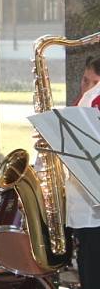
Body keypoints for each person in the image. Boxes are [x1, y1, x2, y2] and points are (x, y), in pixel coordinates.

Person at [67, 64, 100, 288]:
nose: (86, 87)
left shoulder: (92, 102)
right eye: (84, 80)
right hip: (85, 210)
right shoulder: (84, 104)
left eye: (92, 82)